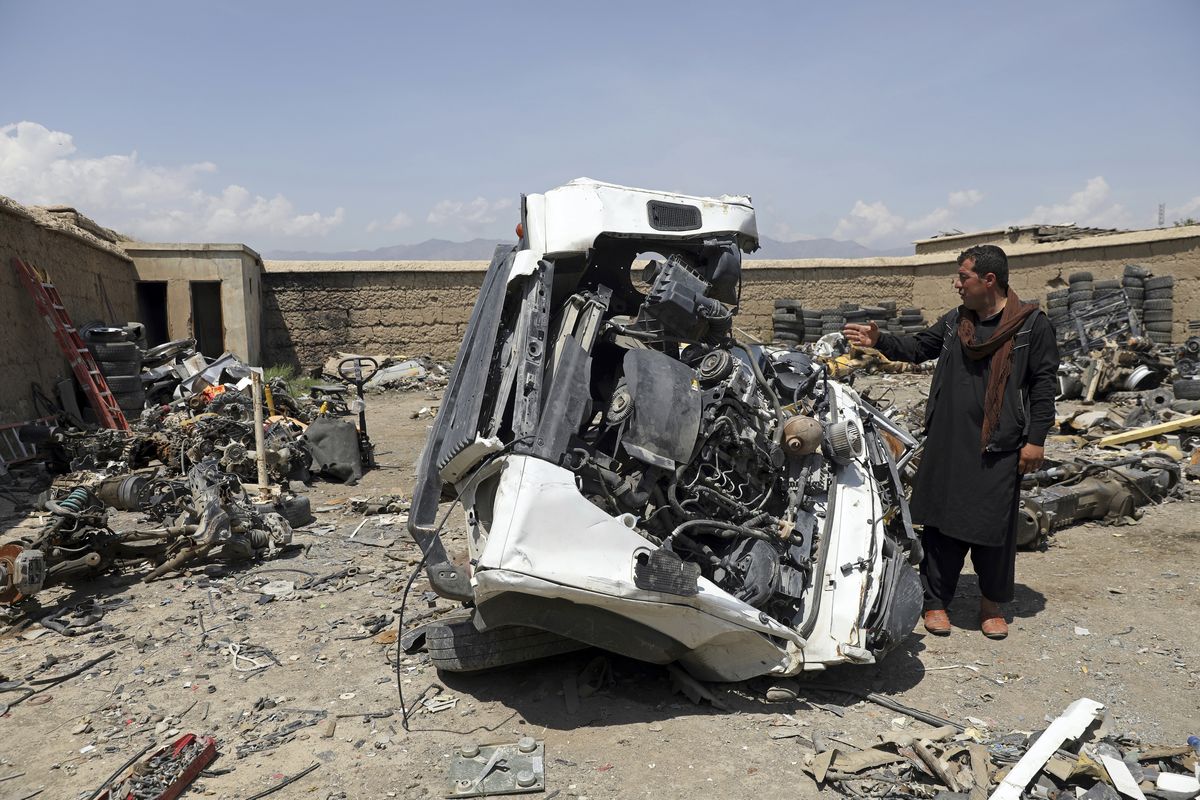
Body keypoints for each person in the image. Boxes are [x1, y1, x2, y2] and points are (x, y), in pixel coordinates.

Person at [843, 245, 1059, 639]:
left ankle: (991, 605)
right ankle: (936, 601)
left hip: (999, 442)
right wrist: (880, 340)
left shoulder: (1032, 326)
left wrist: (1036, 440)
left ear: (988, 280)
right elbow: (918, 348)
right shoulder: (954, 322)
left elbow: (1044, 387)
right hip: (948, 438)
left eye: (963, 276)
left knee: (994, 525)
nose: (956, 284)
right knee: (941, 524)